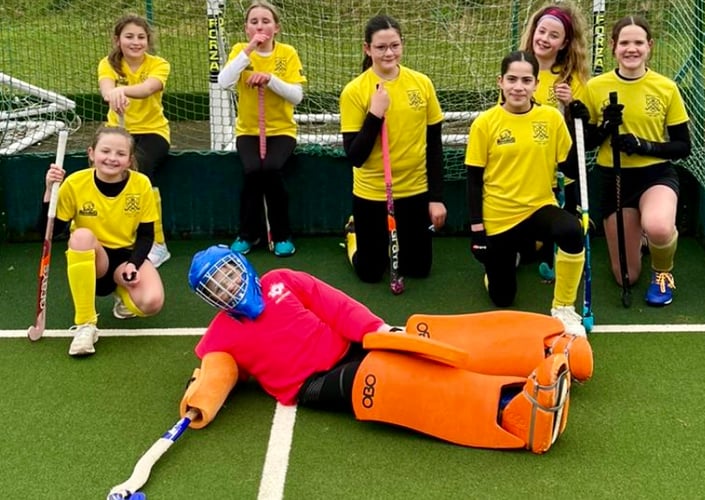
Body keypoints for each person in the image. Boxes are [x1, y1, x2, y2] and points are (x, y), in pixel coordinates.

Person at [179, 245, 593, 453]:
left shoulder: (282, 279)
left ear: (241, 268)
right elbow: (216, 372)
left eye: (229, 276)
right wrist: (200, 401)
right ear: (210, 298)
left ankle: (546, 349)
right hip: (314, 383)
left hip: (349, 346)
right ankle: (515, 410)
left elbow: (336, 305)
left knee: (419, 338)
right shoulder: (221, 334)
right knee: (393, 378)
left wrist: (378, 329)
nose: (229, 288)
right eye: (216, 287)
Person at [465, 50, 586, 336]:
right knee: (503, 298)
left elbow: (570, 166)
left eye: (526, 80)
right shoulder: (485, 123)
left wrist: (574, 119)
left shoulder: (550, 118)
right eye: (512, 79)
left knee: (571, 230)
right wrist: (477, 231)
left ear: (535, 84)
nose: (518, 86)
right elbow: (473, 180)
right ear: (501, 82)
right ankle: (498, 267)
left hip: (538, 207)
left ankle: (564, 308)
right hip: (499, 216)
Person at [583, 15, 691, 306]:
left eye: (639, 42)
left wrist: (643, 145)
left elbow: (683, 147)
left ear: (649, 46)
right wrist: (606, 127)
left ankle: (663, 271)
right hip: (615, 178)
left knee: (658, 226)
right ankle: (642, 239)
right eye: (625, 43)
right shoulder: (595, 87)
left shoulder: (666, 87)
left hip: (655, 176)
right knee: (626, 276)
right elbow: (587, 142)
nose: (632, 49)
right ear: (613, 46)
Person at [339, 14, 446, 283]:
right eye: (381, 47)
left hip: (414, 189)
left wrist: (435, 197)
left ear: (402, 44)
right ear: (367, 49)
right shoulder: (354, 91)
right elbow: (355, 157)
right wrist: (375, 114)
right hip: (373, 192)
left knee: (419, 270)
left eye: (395, 45)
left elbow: (434, 145)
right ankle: (354, 234)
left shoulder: (422, 84)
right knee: (370, 273)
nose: (389, 53)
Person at [40, 127, 165, 356]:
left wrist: (133, 264)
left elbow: (147, 235)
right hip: (93, 257)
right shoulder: (76, 183)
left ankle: (121, 295)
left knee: (151, 302)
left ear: (129, 160)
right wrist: (49, 190)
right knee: (81, 236)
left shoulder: (141, 184)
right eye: (105, 151)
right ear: (91, 153)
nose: (112, 158)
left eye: (120, 154)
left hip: (124, 256)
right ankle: (86, 325)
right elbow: (49, 231)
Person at [218, 0, 306, 257]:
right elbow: (224, 82)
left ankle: (282, 234)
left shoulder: (287, 53)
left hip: (281, 131)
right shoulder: (240, 51)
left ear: (276, 27)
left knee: (271, 168)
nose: (260, 26)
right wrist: (248, 51)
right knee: (253, 170)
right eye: (254, 22)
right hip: (248, 131)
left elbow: (296, 96)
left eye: (266, 21)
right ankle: (248, 233)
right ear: (246, 28)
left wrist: (270, 79)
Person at [518, 2, 590, 272]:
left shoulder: (572, 80)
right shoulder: (519, 71)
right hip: (524, 170)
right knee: (525, 245)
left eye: (553, 35)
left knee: (561, 229)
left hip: (560, 174)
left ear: (564, 43)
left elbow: (581, 134)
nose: (544, 39)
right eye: (542, 31)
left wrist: (572, 107)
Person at [98, 14, 172, 268]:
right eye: (129, 36)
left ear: (148, 41)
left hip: (153, 131)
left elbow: (148, 89)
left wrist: (122, 90)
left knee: (140, 169)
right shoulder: (107, 64)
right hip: (117, 132)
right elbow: (106, 90)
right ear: (117, 40)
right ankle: (113, 235)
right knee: (105, 172)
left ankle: (158, 243)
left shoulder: (158, 64)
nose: (135, 42)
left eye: (141, 37)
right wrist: (113, 93)